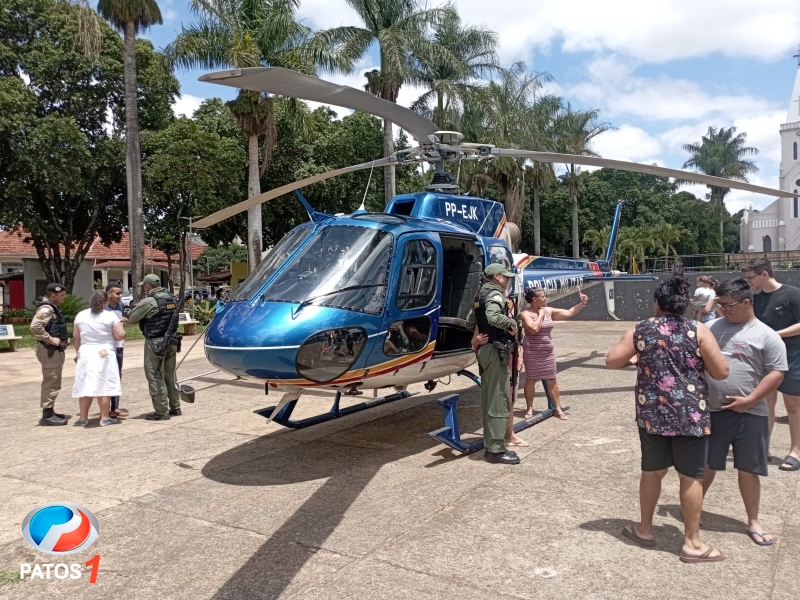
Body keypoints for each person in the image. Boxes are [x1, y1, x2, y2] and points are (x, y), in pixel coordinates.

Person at [606, 271, 729, 563]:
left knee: (652, 471)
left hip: (652, 416)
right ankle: (693, 543)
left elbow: (612, 360)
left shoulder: (641, 330)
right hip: (691, 416)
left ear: (658, 303)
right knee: (691, 477)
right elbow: (722, 372)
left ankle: (645, 529)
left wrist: (639, 357)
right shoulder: (697, 330)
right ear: (683, 304)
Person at [702, 278, 787, 546]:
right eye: (720, 304)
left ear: (747, 302)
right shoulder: (710, 328)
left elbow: (777, 373)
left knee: (748, 469)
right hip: (712, 410)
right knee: (705, 465)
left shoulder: (767, 335)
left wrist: (749, 400)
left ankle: (753, 521)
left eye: (728, 305)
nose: (723, 310)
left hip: (751, 413)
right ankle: (694, 508)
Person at [743, 257, 800, 472]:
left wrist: (774, 335)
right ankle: (763, 448)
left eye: (751, 277)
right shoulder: (755, 299)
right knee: (766, 404)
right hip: (765, 355)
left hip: (792, 353)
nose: (749, 282)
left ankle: (796, 451)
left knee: (793, 405)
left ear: (764, 274)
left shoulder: (792, 294)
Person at [465, 263, 520, 465]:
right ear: (496, 276)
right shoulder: (495, 295)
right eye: (506, 277)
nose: (508, 280)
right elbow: (493, 317)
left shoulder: (480, 296)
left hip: (485, 351)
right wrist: (512, 325)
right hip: (496, 351)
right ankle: (496, 450)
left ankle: (491, 443)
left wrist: (479, 338)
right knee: (499, 399)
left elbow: (469, 322)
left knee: (489, 398)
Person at [519, 286, 589, 420]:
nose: (546, 299)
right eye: (543, 296)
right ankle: (529, 408)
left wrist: (583, 303)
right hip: (532, 351)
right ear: (534, 299)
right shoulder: (525, 314)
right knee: (531, 380)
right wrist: (540, 315)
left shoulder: (548, 311)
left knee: (552, 379)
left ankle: (557, 408)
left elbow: (568, 313)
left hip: (547, 352)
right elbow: (534, 329)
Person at [125, 274, 181, 420]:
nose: (144, 288)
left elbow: (131, 318)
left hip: (156, 342)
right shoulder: (171, 298)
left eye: (144, 285)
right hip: (172, 341)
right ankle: (175, 407)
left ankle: (161, 411)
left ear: (148, 286)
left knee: (155, 375)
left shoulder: (150, 301)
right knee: (170, 374)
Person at [72, 291, 126, 427]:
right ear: (105, 302)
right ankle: (104, 417)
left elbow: (76, 336)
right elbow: (120, 335)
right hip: (104, 352)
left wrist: (78, 352)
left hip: (85, 352)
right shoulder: (109, 315)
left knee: (85, 385)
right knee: (104, 384)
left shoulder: (81, 315)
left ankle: (83, 418)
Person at [30, 283, 71, 426]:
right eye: (62, 295)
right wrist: (50, 339)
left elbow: (54, 326)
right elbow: (35, 326)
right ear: (53, 295)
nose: (64, 298)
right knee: (51, 381)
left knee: (54, 381)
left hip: (54, 351)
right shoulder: (47, 309)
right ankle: (47, 415)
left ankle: (50, 411)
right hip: (49, 351)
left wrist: (63, 338)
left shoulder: (53, 308)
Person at [105, 283, 129, 419]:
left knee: (117, 375)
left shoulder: (120, 306)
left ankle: (115, 406)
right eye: (117, 293)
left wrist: (124, 320)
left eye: (121, 293)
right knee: (106, 375)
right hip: (107, 346)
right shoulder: (102, 308)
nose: (120, 296)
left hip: (119, 345)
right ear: (108, 294)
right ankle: (106, 408)